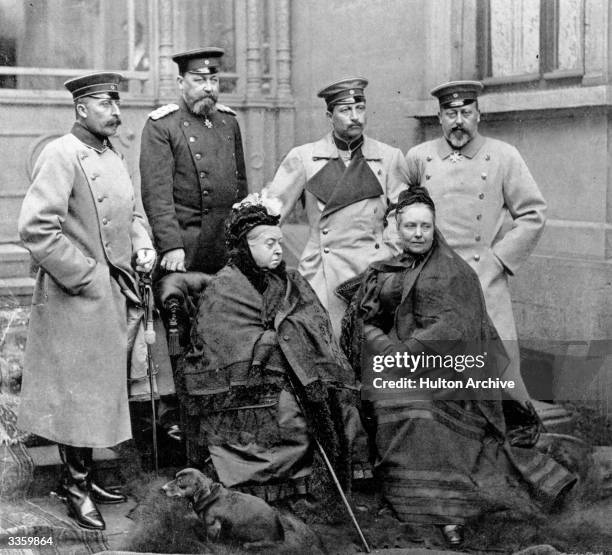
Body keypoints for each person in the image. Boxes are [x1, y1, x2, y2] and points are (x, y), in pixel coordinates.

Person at [340, 188, 575, 547]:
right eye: (410, 227)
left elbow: (449, 330)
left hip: (454, 370)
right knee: (382, 399)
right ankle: (412, 498)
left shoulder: (452, 272)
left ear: (435, 228)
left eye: (425, 226)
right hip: (400, 360)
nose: (418, 234)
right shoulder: (390, 267)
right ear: (398, 229)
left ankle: (447, 507)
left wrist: (402, 356)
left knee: (415, 410)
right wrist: (382, 345)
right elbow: (365, 314)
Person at [17, 72, 156, 530]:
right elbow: (37, 229)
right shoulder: (61, 154)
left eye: (117, 104)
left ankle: (88, 476)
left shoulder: (111, 154)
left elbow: (133, 213)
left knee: (100, 391)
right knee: (77, 393)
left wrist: (143, 243)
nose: (116, 112)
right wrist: (87, 276)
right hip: (74, 295)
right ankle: (75, 487)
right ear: (81, 109)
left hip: (112, 292)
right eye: (105, 105)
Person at [174, 193, 357, 501]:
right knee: (286, 409)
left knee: (334, 402)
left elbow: (313, 320)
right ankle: (260, 491)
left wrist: (286, 336)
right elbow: (219, 340)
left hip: (291, 368)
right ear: (247, 246)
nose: (278, 249)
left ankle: (305, 488)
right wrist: (268, 344)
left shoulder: (290, 280)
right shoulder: (224, 286)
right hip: (246, 379)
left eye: (279, 242)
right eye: (269, 243)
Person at [404, 81, 546, 406]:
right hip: (431, 277)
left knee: (501, 370)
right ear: (439, 117)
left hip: (484, 279)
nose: (458, 121)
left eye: (465, 112)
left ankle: (513, 440)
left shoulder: (503, 156)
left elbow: (533, 213)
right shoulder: (418, 158)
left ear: (478, 114)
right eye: (450, 113)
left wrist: (498, 259)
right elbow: (396, 213)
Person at [264, 77, 409, 338]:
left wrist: (390, 254)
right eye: (345, 110)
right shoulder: (304, 158)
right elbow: (271, 217)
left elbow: (403, 215)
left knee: (371, 352)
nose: (355, 117)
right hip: (321, 272)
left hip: (373, 274)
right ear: (329, 115)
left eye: (360, 108)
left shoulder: (389, 158)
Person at [140, 46, 248, 275]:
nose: (208, 87)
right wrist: (171, 246)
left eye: (214, 80)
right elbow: (157, 194)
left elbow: (241, 185)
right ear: (181, 82)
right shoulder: (162, 125)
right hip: (184, 248)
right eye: (199, 80)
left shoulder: (228, 122)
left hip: (226, 245)